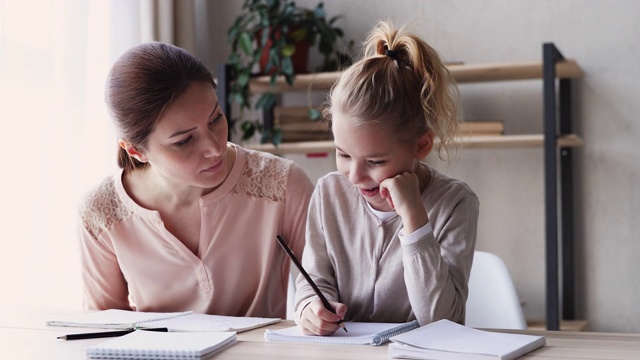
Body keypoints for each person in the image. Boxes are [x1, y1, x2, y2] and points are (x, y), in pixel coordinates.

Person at [78, 42, 314, 318]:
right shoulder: (101, 211)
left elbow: (326, 284)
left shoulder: (282, 183)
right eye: (184, 140)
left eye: (215, 119)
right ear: (135, 150)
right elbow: (104, 325)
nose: (215, 148)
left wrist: (314, 307)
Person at [294, 21, 479, 335]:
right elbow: (313, 278)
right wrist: (311, 308)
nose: (354, 175)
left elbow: (443, 321)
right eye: (343, 154)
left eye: (375, 161)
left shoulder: (455, 203)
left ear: (421, 146)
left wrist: (414, 218)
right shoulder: (329, 193)